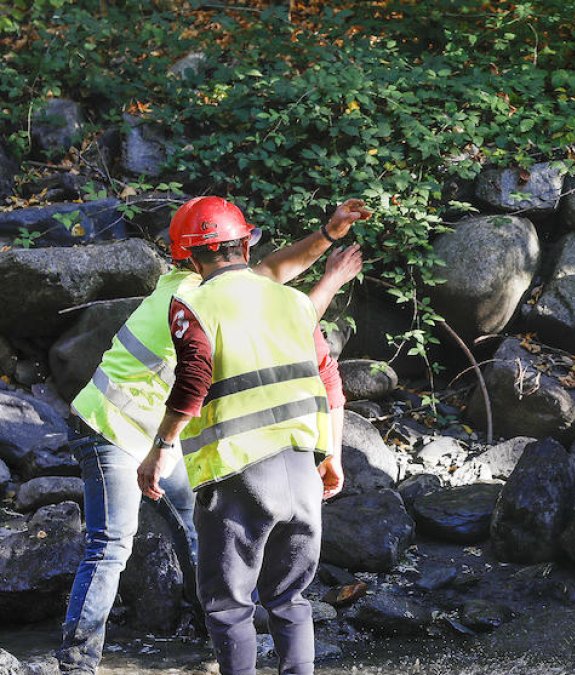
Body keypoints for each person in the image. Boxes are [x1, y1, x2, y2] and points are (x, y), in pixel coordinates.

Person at [57, 196, 368, 675]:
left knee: (195, 528)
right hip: (113, 425)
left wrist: (328, 235)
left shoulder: (212, 288)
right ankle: (77, 661)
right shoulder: (190, 299)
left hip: (168, 429)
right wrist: (329, 273)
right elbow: (284, 305)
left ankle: (215, 633)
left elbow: (273, 278)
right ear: (240, 245)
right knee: (114, 541)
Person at [137, 196, 348, 675]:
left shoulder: (191, 302)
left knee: (229, 604)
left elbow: (194, 379)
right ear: (245, 245)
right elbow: (329, 381)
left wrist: (162, 447)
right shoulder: (294, 301)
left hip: (238, 474)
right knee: (290, 598)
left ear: (188, 257)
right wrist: (331, 455)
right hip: (302, 470)